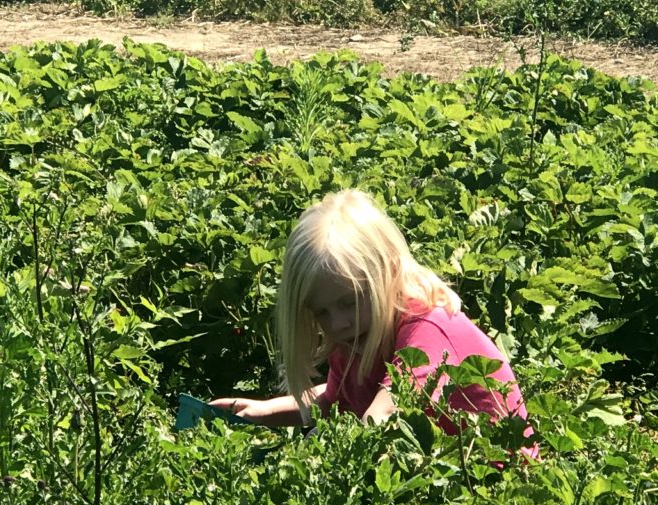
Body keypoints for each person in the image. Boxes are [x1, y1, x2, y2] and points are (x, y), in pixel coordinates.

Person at [209, 189, 537, 459]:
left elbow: (382, 416)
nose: (337, 323)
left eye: (349, 300)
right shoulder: (358, 335)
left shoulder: (428, 330)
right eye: (320, 312)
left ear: (389, 270)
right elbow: (337, 399)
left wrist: (310, 469)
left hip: (495, 490)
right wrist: (265, 412)